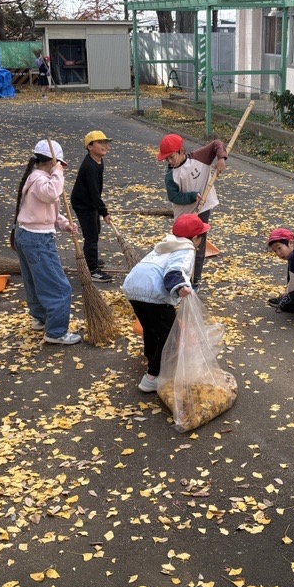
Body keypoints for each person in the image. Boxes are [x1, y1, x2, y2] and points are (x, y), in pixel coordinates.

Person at [122, 214, 206, 392]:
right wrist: (179, 286)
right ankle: (152, 377)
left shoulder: (166, 244)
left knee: (151, 329)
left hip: (133, 287)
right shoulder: (187, 249)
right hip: (154, 294)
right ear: (196, 238)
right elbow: (174, 270)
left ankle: (152, 358)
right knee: (170, 335)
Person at [12, 140, 81, 345]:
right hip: (37, 240)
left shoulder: (36, 178)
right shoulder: (40, 180)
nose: (61, 168)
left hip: (27, 234)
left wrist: (63, 223)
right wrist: (58, 173)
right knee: (59, 287)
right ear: (52, 162)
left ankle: (40, 318)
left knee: (35, 281)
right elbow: (51, 194)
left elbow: (44, 210)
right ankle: (56, 332)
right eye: (59, 164)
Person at [158, 133, 228, 290]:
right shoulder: (171, 175)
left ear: (181, 150)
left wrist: (221, 159)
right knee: (182, 247)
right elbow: (174, 196)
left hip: (202, 210)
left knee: (199, 246)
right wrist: (192, 196)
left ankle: (195, 281)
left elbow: (217, 143)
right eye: (166, 159)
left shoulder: (199, 157)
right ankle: (180, 279)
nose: (169, 162)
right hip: (184, 216)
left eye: (171, 157)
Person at [70, 130, 113, 283]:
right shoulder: (89, 166)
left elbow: (95, 191)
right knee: (91, 235)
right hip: (83, 203)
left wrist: (100, 209)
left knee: (96, 230)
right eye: (100, 143)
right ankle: (92, 269)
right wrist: (104, 212)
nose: (105, 145)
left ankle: (90, 258)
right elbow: (94, 193)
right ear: (89, 146)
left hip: (91, 201)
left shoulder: (98, 160)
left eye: (105, 142)